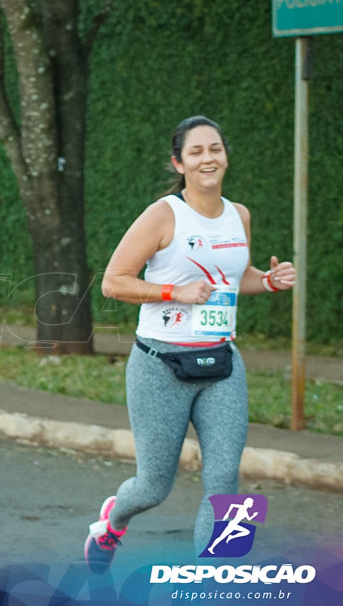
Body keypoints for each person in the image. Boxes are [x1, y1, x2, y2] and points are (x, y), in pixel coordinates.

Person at [84, 116, 296, 572]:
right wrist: (172, 292)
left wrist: (270, 281)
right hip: (161, 364)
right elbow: (113, 282)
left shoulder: (239, 215)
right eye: (196, 152)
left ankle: (215, 580)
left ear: (225, 156)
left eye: (215, 149)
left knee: (224, 482)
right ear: (179, 163)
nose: (208, 159)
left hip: (221, 363)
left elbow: (236, 276)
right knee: (153, 486)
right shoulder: (164, 215)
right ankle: (111, 524)